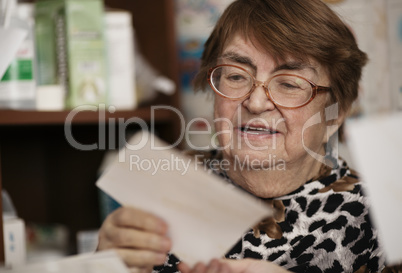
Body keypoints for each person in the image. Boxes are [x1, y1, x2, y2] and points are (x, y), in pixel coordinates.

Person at [97, 0, 393, 272]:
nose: (255, 102)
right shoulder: (165, 184)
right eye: (237, 76)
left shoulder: (381, 216)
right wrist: (101, 266)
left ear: (336, 113)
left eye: (289, 83)